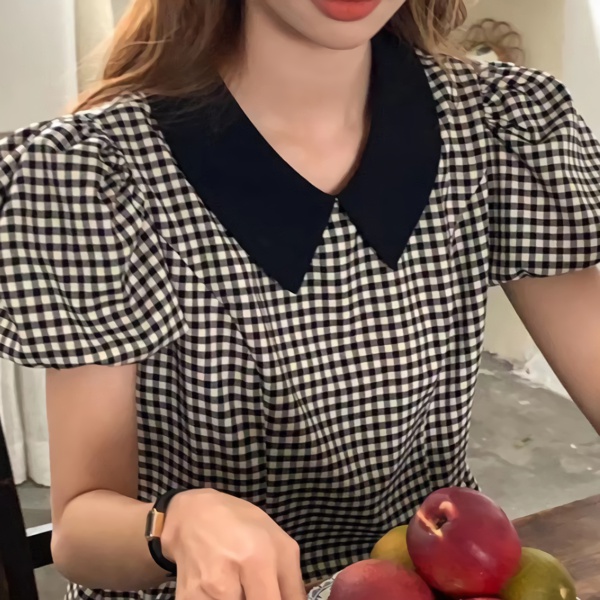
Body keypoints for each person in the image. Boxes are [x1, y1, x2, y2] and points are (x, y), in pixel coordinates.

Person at [1, 0, 600, 598]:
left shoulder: (502, 127)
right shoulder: (95, 177)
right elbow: (79, 532)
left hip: (425, 577)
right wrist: (174, 525)